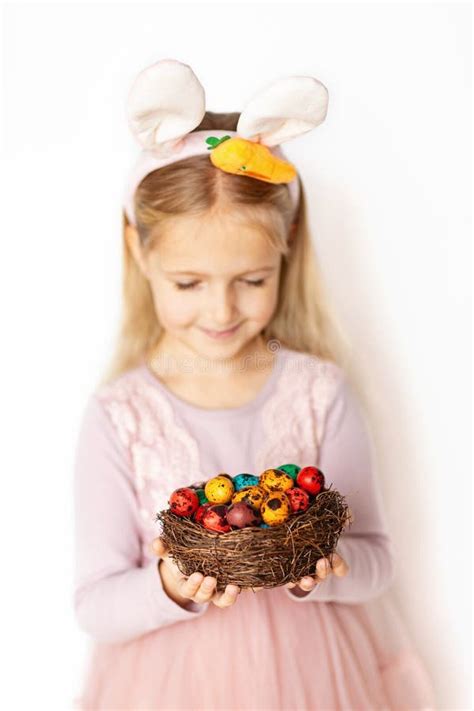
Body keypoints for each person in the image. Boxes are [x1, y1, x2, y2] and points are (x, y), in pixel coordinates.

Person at [73, 59, 435, 710]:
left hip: (313, 676)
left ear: (287, 247)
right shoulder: (120, 413)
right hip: (167, 686)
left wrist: (316, 574)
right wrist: (170, 585)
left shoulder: (318, 391)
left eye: (252, 279)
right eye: (189, 283)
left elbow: (378, 558)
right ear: (138, 249)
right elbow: (96, 602)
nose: (221, 311)